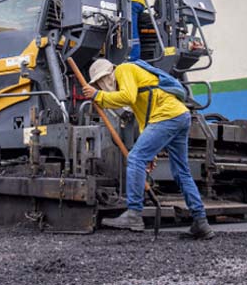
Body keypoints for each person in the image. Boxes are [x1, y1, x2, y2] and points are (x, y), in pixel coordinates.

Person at [82, 58, 214, 239]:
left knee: (135, 158)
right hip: (179, 115)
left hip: (167, 116)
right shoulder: (134, 85)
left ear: (105, 76)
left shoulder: (123, 69)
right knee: (181, 172)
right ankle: (201, 222)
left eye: (99, 83)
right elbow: (144, 120)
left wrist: (97, 95)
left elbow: (127, 97)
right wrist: (152, 154)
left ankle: (134, 214)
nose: (101, 86)